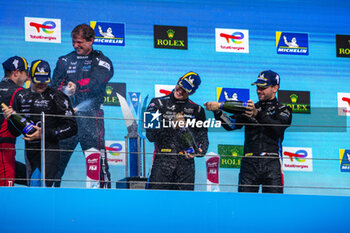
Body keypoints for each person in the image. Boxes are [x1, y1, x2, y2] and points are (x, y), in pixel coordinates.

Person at [205, 70, 292, 193]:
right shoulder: (249, 108)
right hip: (249, 162)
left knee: (273, 205)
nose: (258, 90)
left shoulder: (283, 109)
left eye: (263, 87)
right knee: (244, 204)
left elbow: (277, 128)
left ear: (275, 88)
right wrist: (218, 112)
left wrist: (257, 114)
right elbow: (231, 124)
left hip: (272, 162)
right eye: (257, 87)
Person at [52, 24, 114, 188]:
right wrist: (65, 92)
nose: (75, 45)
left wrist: (76, 86)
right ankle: (50, 200)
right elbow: (55, 87)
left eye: (79, 42)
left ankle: (101, 198)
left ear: (91, 40)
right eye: (73, 42)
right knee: (56, 163)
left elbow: (97, 82)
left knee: (97, 162)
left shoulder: (102, 61)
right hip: (67, 117)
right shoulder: (64, 61)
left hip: (91, 116)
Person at [3, 60, 77, 187]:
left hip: (50, 150)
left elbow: (72, 127)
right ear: (30, 77)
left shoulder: (57, 96)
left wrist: (44, 134)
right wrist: (10, 118)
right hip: (30, 152)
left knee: (42, 186)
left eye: (45, 80)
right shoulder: (20, 96)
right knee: (32, 187)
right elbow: (14, 132)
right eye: (38, 80)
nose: (42, 84)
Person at [146, 71, 209, 190]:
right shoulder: (156, 103)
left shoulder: (198, 110)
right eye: (180, 86)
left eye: (186, 90)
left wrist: (198, 151)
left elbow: (204, 140)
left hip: (186, 168)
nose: (180, 91)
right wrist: (170, 125)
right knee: (157, 205)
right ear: (178, 81)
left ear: (193, 92)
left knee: (184, 206)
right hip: (162, 163)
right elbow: (150, 136)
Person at [0, 56, 29, 186]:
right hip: (4, 148)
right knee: (6, 192)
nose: (28, 77)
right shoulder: (19, 92)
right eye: (26, 73)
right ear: (16, 73)